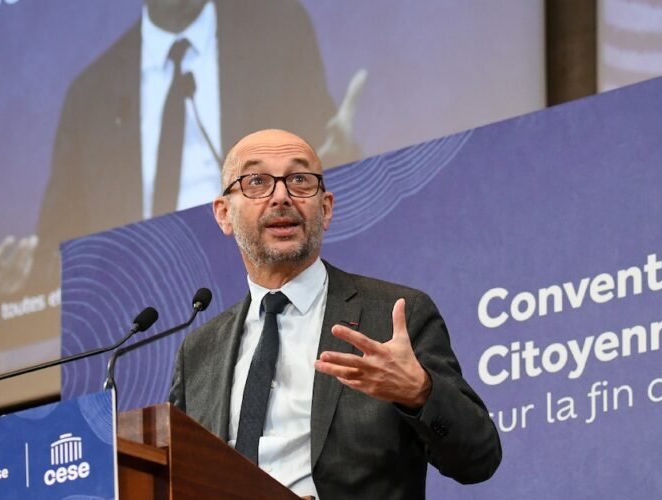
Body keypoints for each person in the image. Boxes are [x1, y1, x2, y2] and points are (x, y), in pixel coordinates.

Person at [169, 129, 501, 499]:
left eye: (299, 180)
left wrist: (420, 393)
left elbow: (479, 458)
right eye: (257, 181)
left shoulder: (392, 315)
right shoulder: (199, 350)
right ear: (223, 214)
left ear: (325, 209)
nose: (281, 196)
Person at [0, 0, 365, 297]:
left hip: (265, 286)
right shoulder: (89, 96)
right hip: (143, 312)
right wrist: (24, 282)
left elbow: (318, 167)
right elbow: (63, 253)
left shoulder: (277, 35)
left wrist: (341, 161)